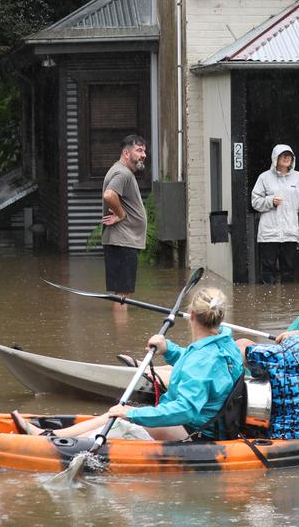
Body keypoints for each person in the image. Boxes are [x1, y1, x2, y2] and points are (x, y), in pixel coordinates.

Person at [12, 287, 243, 441]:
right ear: (220, 317)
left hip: (196, 430)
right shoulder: (224, 343)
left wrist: (133, 414)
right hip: (206, 422)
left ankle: (50, 439)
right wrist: (169, 350)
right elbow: (198, 368)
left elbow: (185, 409)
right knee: (113, 415)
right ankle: (51, 434)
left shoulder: (203, 361)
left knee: (120, 419)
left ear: (191, 315)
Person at [251, 144, 299, 284]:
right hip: (268, 233)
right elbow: (255, 202)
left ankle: (288, 303)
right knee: (267, 270)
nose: (286, 158)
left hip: (290, 232)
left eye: (289, 155)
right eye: (283, 155)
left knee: (288, 270)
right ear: (275, 158)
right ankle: (267, 302)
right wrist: (270, 201)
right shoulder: (264, 178)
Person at [101, 135, 148, 305]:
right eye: (139, 150)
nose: (144, 155)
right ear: (126, 153)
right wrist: (121, 214)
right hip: (123, 242)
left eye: (144, 151)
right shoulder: (122, 173)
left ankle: (120, 330)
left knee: (122, 294)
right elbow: (109, 195)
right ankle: (121, 331)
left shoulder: (122, 171)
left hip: (122, 242)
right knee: (123, 296)